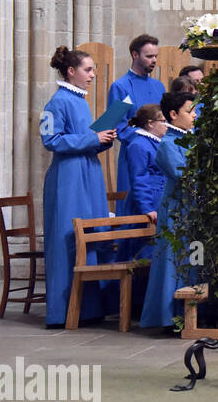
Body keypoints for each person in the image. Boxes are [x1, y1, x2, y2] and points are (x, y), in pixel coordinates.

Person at [42, 47, 117, 327]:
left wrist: (102, 139)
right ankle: (62, 312)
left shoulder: (79, 102)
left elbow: (83, 139)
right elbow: (51, 140)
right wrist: (91, 138)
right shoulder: (56, 103)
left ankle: (88, 309)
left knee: (90, 235)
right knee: (68, 239)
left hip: (87, 173)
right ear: (71, 71)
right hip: (68, 179)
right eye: (88, 69)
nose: (93, 75)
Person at [140, 89, 197, 330]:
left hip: (192, 209)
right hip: (176, 211)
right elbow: (183, 174)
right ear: (173, 114)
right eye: (189, 111)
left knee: (197, 256)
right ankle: (168, 317)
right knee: (174, 261)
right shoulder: (168, 144)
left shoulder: (189, 138)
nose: (194, 115)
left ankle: (195, 312)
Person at [107, 34, 164, 201]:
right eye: (149, 56)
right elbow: (118, 125)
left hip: (159, 155)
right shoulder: (121, 86)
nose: (154, 60)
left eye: (155, 56)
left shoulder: (158, 86)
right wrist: (146, 141)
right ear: (134, 55)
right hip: (135, 155)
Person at [119, 104, 167, 262]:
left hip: (160, 199)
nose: (167, 125)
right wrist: (147, 207)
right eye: (163, 121)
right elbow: (139, 178)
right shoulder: (138, 145)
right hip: (147, 204)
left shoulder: (157, 143)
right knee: (144, 250)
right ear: (150, 123)